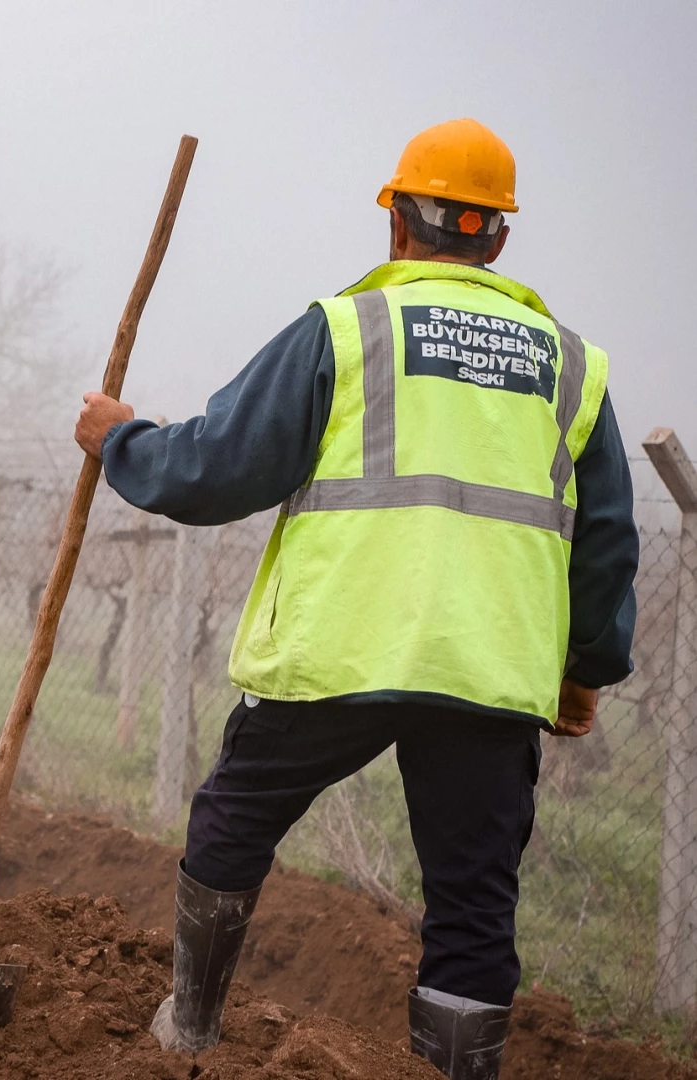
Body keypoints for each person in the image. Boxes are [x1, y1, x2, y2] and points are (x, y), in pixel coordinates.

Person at [74, 119, 638, 1080]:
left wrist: (121, 442)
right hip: (489, 672)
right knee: (470, 906)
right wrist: (586, 671)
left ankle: (191, 1032)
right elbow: (606, 541)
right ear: (498, 239)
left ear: (396, 224)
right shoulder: (570, 367)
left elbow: (217, 469)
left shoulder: (346, 329)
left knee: (232, 825)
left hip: (339, 651)